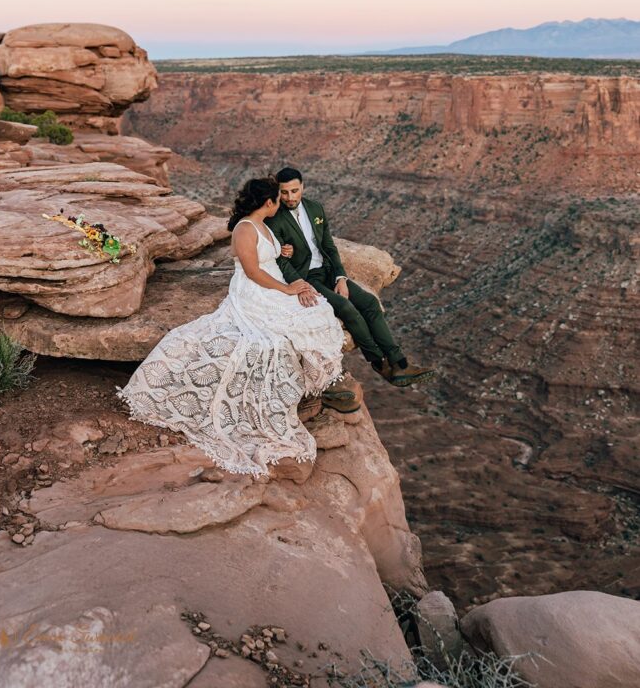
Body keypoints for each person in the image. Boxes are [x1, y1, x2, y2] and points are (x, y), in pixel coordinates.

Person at [116, 176, 348, 478]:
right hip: (253, 291)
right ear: (268, 202)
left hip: (272, 282)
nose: (281, 201)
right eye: (278, 197)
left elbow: (270, 255)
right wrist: (286, 289)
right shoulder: (244, 229)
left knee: (317, 310)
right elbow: (252, 271)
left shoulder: (264, 224)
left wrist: (284, 254)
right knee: (268, 341)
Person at [267, 166, 436, 387]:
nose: (290, 197)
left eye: (294, 191)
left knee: (369, 303)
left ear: (303, 187)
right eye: (285, 192)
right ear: (278, 192)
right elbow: (279, 260)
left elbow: (329, 245)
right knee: (347, 309)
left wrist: (341, 278)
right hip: (307, 276)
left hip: (328, 271)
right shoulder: (274, 218)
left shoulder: (315, 209)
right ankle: (380, 363)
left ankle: (400, 363)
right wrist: (299, 283)